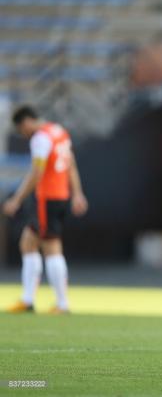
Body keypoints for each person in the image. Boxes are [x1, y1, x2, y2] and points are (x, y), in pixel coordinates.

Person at [4, 105, 88, 314]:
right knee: (28, 243)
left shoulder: (41, 138)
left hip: (47, 198)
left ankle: (62, 303)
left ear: (26, 122)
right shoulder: (59, 132)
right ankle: (27, 300)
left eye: (21, 129)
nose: (23, 134)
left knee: (51, 247)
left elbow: (36, 172)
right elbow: (71, 165)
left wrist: (17, 198)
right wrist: (77, 193)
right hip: (60, 196)